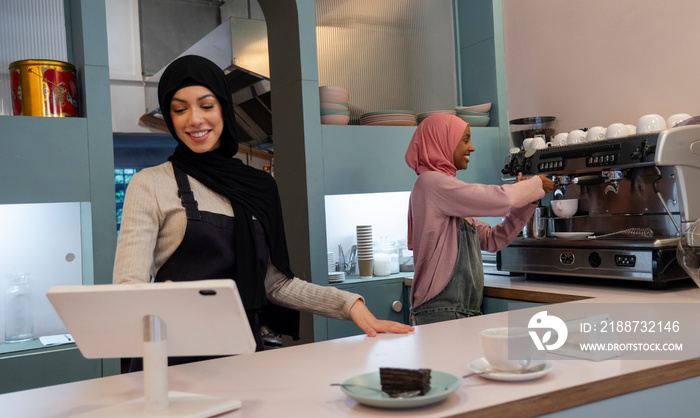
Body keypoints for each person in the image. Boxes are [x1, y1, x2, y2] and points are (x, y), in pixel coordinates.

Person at [113, 55, 413, 366]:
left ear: (224, 108)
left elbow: (276, 284)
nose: (195, 119)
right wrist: (158, 299)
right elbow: (128, 289)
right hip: (172, 358)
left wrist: (350, 305)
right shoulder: (149, 184)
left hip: (242, 354)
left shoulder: (258, 186)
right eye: (179, 109)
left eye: (206, 105)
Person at [404, 114, 554, 325]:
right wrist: (532, 186)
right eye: (465, 140)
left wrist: (526, 202)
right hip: (440, 310)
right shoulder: (430, 183)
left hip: (463, 310)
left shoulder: (448, 192)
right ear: (442, 141)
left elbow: (494, 239)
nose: (472, 147)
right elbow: (498, 199)